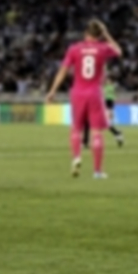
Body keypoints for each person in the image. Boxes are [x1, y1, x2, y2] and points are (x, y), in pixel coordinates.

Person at [46, 19, 122, 179]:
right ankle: (97, 171)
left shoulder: (74, 49)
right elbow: (119, 51)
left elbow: (63, 71)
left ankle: (76, 157)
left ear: (86, 33)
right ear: (99, 35)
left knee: (76, 129)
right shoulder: (103, 48)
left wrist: (53, 90)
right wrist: (107, 34)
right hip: (95, 93)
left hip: (78, 92)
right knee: (96, 132)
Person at [82, 77, 124, 148]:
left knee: (103, 124)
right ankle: (85, 142)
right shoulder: (101, 88)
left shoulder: (107, 88)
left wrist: (110, 110)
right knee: (88, 123)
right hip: (97, 107)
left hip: (101, 108)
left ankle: (117, 133)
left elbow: (109, 100)